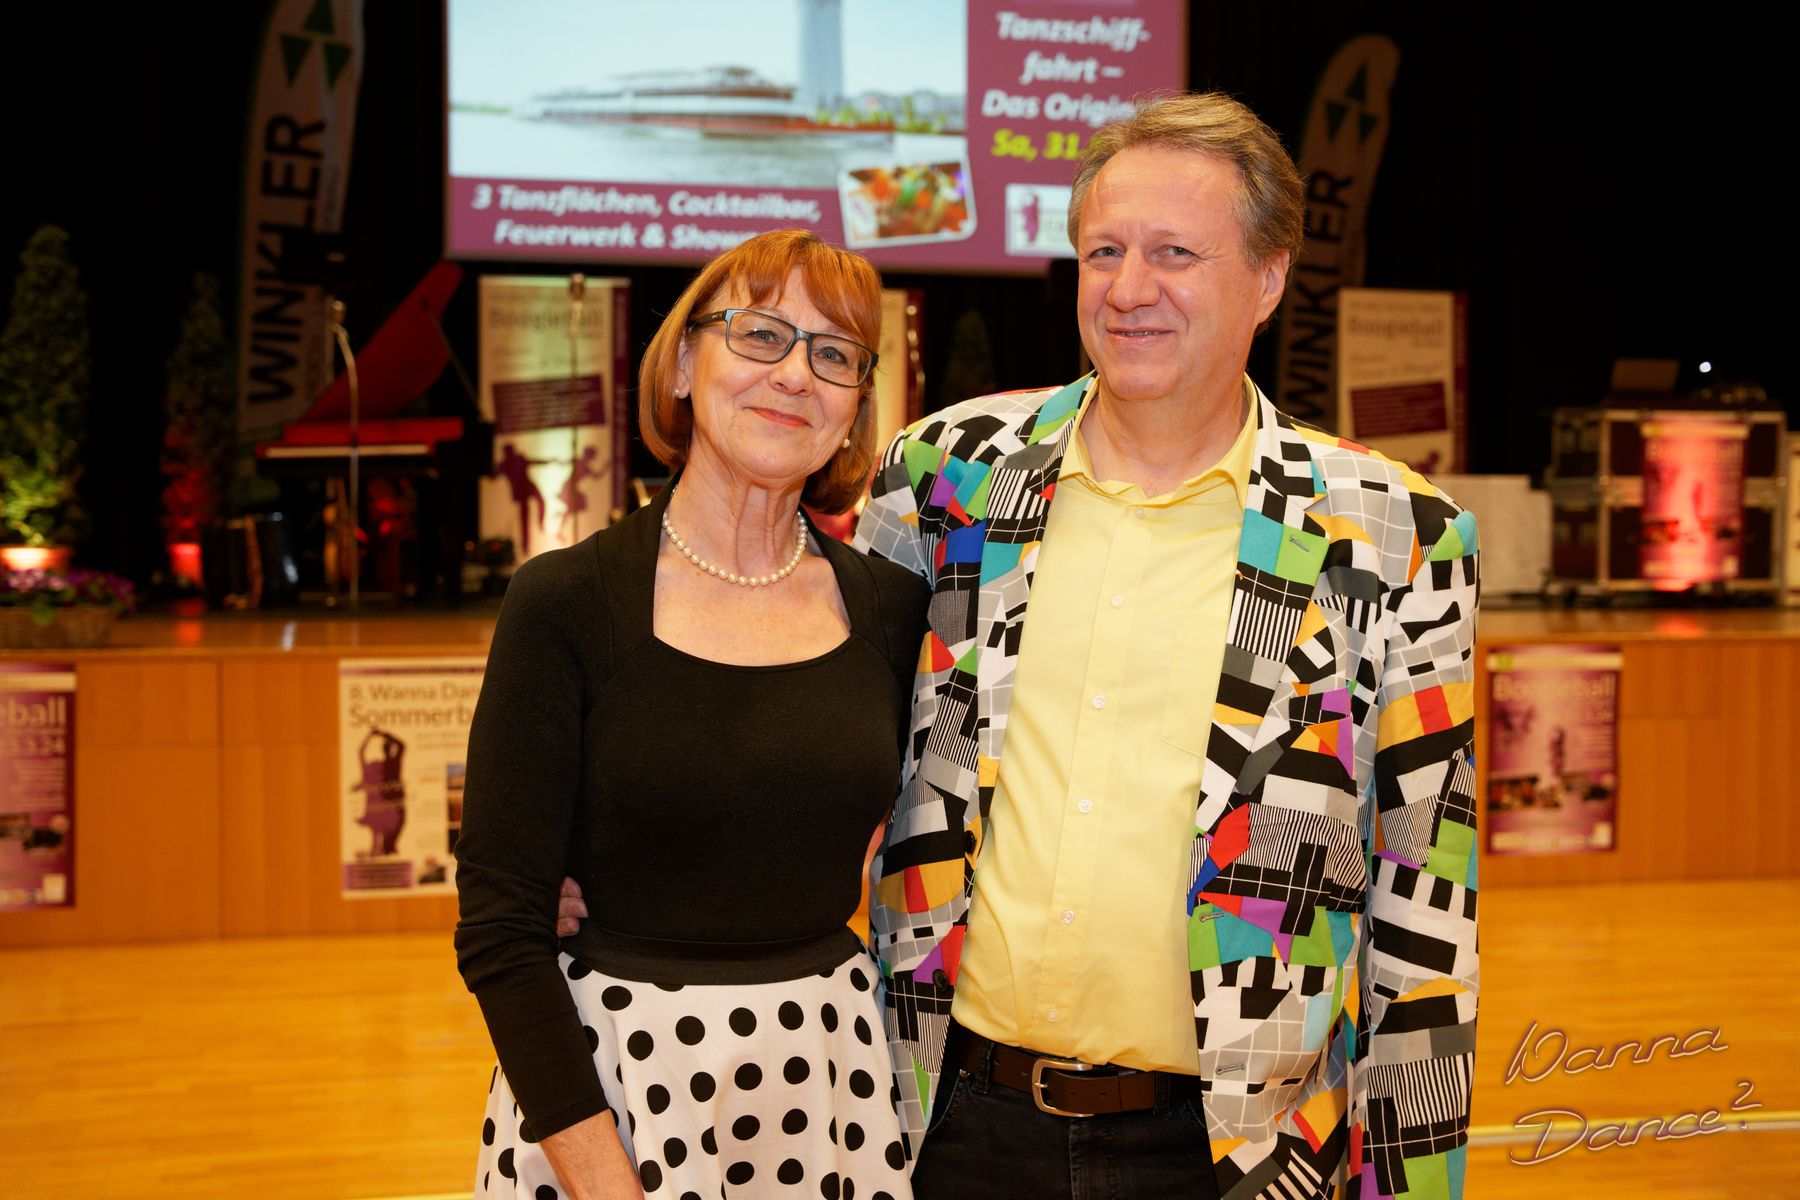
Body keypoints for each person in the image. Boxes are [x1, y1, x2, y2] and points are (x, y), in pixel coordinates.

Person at [851, 93, 1481, 1199]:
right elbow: (823, 737)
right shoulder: (945, 479)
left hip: (1241, 1153)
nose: (1129, 288)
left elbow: (1426, 898)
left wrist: (1413, 1184)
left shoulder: (1395, 536)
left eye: (1175, 253)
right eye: (1105, 251)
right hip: (945, 1124)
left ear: (1269, 278)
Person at [456, 229, 927, 1200]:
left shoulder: (891, 609)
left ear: (854, 406)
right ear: (681, 364)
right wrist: (606, 1186)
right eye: (759, 335)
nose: (794, 375)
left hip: (828, 1088)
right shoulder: (565, 603)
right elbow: (501, 931)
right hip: (612, 1102)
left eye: (834, 353)